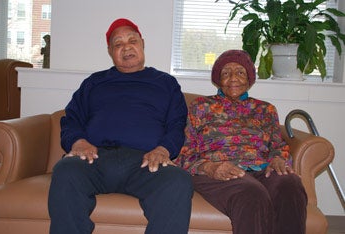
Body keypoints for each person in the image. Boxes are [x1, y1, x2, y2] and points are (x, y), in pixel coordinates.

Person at [48, 18, 193, 234]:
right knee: (66, 171)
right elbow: (71, 118)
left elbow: (176, 124)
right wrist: (78, 142)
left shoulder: (165, 83)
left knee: (178, 181)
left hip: (145, 163)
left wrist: (163, 150)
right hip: (95, 159)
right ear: (110, 51)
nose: (126, 47)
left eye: (132, 40)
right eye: (118, 44)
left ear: (142, 43)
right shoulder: (94, 82)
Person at [174, 50, 307, 234]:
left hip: (260, 168)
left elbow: (278, 146)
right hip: (218, 170)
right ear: (218, 80)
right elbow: (184, 153)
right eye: (226, 73)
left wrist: (278, 159)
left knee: (289, 184)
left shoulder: (265, 109)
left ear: (250, 79)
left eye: (240, 72)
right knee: (252, 193)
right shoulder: (200, 107)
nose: (233, 78)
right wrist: (209, 167)